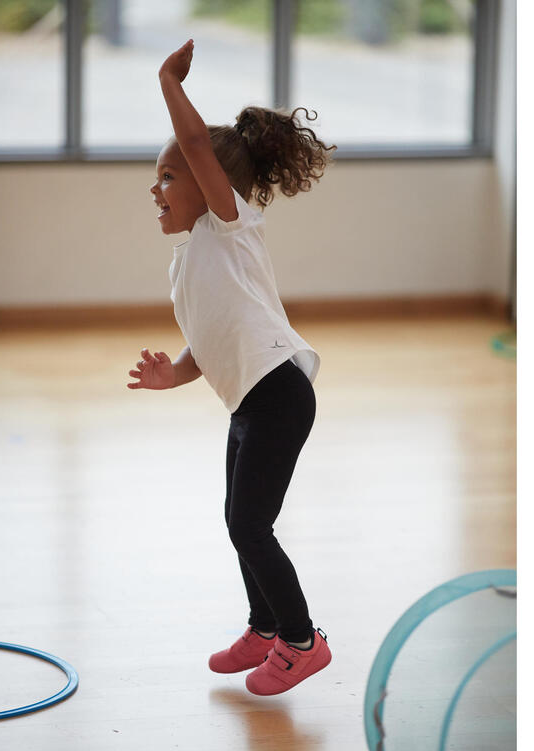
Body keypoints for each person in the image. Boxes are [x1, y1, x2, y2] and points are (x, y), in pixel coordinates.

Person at [127, 39, 336, 696]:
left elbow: (195, 144)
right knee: (237, 518)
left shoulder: (230, 226)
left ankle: (302, 640)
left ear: (212, 184)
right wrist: (174, 374)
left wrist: (169, 82)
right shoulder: (189, 260)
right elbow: (211, 342)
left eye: (168, 175)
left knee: (250, 523)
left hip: (278, 393)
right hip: (249, 399)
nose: (156, 187)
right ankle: (264, 627)